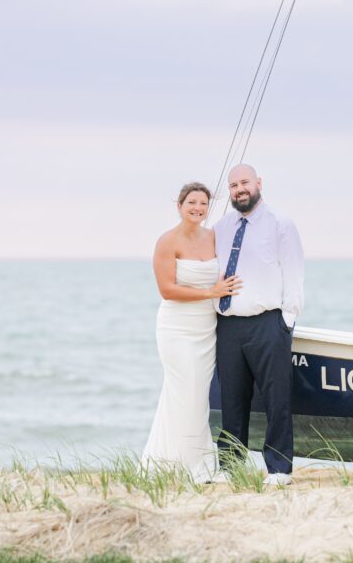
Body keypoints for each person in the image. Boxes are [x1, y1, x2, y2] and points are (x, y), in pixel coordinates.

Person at [142, 182, 241, 483]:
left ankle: (189, 463)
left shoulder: (213, 237)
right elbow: (167, 290)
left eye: (203, 204)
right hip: (176, 328)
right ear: (179, 206)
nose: (198, 208)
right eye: (192, 203)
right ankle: (186, 468)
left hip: (206, 328)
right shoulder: (167, 241)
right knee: (184, 390)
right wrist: (211, 292)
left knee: (198, 396)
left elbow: (227, 269)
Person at [214, 164, 304, 486]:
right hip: (228, 325)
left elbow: (293, 272)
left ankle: (279, 469)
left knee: (276, 398)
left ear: (259, 183)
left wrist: (287, 320)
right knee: (231, 400)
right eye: (234, 184)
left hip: (269, 323)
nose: (240, 189)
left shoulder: (281, 224)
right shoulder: (221, 227)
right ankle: (229, 467)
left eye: (245, 182)